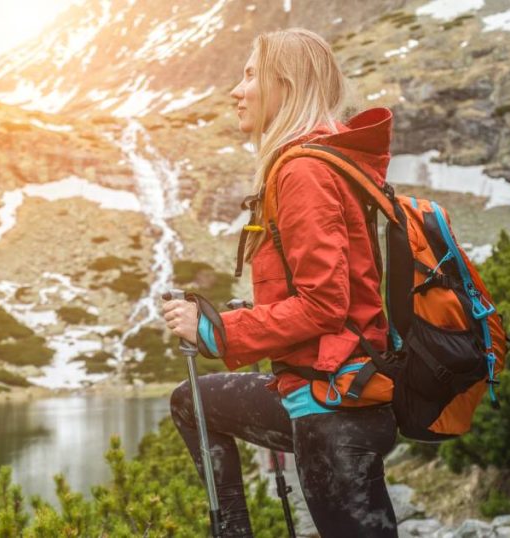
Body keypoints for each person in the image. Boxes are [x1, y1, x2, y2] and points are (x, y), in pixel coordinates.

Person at [161, 28, 399, 537]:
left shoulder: (303, 171)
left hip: (335, 405)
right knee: (191, 400)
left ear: (285, 84)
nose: (236, 90)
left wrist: (214, 332)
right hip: (321, 391)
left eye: (250, 75)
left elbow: (323, 306)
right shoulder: (320, 160)